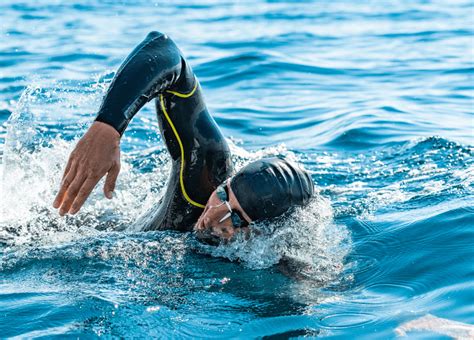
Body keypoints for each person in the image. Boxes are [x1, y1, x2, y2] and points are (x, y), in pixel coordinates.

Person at [53, 31, 314, 244]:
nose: (212, 216)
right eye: (223, 196)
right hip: (90, 232)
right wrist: (108, 127)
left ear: (265, 234)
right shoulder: (206, 177)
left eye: (235, 219)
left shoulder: (280, 256)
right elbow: (164, 50)